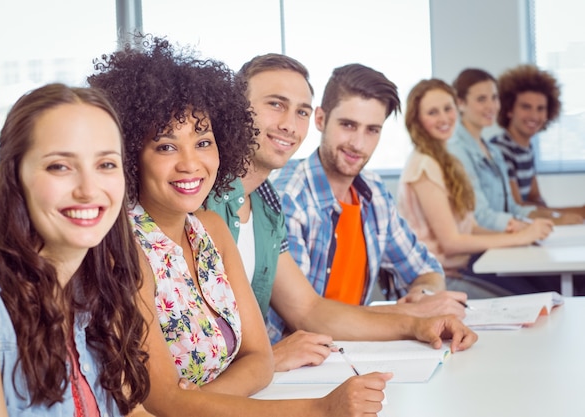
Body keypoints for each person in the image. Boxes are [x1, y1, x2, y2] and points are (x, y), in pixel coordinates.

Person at [89, 35, 396, 417]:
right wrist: (320, 409)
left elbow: (259, 360)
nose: (190, 163)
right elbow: (164, 402)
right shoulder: (122, 247)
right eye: (166, 146)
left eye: (203, 142)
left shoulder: (211, 229)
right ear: (131, 153)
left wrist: (197, 400)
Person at [205, 54, 477, 372]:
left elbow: (309, 308)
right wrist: (412, 319)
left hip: (305, 363)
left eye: (300, 111)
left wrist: (419, 317)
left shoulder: (267, 203)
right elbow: (299, 323)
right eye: (275, 104)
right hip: (278, 370)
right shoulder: (259, 198)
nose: (289, 124)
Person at [0, 83, 150, 416]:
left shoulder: (100, 280)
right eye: (60, 166)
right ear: (15, 177)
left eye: (106, 164)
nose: (89, 190)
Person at [269, 64, 484, 311]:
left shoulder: (373, 192)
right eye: (348, 125)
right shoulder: (289, 198)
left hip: (359, 343)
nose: (358, 144)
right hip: (308, 345)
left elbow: (427, 270)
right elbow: (301, 317)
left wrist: (423, 295)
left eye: (372, 130)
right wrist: (404, 315)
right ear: (320, 119)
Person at [398, 78, 558, 295]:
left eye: (448, 108)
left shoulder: (447, 160)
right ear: (416, 119)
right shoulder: (424, 165)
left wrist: (518, 230)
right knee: (527, 298)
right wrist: (520, 237)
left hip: (461, 266)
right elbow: (451, 243)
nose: (444, 118)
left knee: (547, 288)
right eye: (432, 112)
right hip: (438, 278)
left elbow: (470, 227)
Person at [447, 68, 573, 232]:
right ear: (460, 103)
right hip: (479, 248)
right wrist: (531, 227)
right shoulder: (456, 150)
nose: (491, 106)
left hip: (501, 240)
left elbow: (512, 208)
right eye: (481, 99)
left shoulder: (492, 151)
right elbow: (479, 216)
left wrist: (553, 218)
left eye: (494, 98)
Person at [490, 64, 585, 219]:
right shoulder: (500, 149)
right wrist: (563, 216)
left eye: (540, 108)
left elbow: (536, 201)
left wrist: (577, 212)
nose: (534, 116)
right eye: (526, 107)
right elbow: (517, 207)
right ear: (509, 109)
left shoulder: (526, 148)